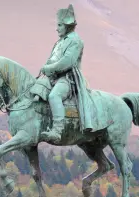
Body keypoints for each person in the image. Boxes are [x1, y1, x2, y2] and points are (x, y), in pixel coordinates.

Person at [40, 4, 94, 143]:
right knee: (35, 90)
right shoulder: (59, 42)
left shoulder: (75, 41)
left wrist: (49, 68)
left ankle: (57, 131)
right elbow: (52, 59)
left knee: (54, 95)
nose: (56, 28)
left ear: (67, 26)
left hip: (68, 79)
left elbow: (67, 62)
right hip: (53, 77)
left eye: (59, 25)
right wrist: (46, 69)